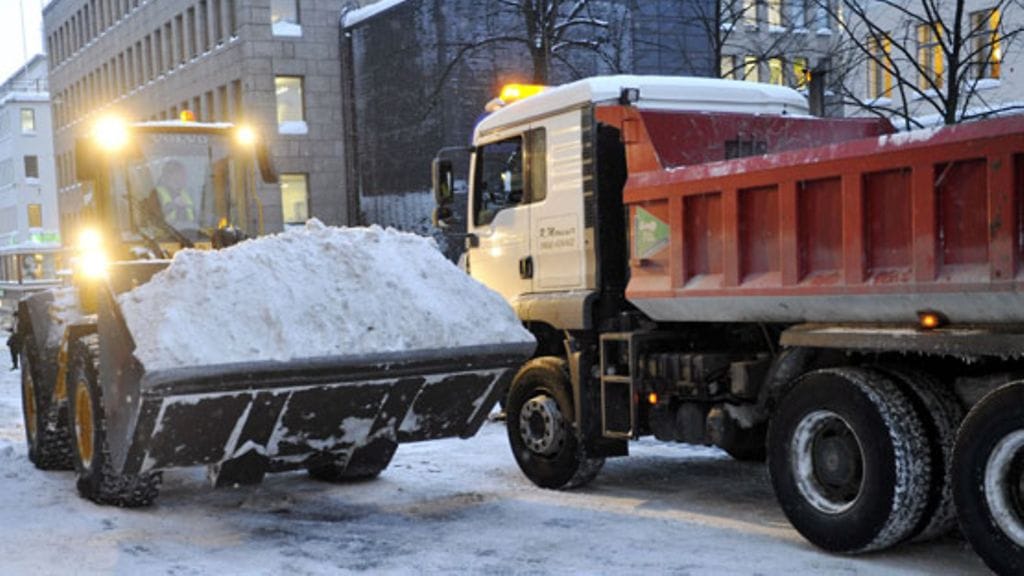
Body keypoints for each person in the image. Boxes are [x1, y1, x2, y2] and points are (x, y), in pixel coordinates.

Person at [154, 160, 196, 229]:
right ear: (171, 175)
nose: (186, 177)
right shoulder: (156, 194)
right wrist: (173, 205)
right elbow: (153, 217)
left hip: (190, 235)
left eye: (185, 174)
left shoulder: (186, 194)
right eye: (182, 174)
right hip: (166, 237)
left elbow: (194, 216)